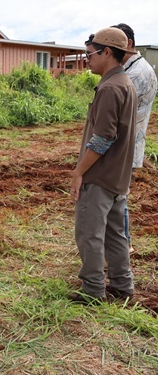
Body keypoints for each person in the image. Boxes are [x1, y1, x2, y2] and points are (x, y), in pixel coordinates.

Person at [68, 27, 137, 304]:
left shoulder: (110, 87)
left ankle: (93, 290)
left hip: (99, 176)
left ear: (106, 52)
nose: (87, 59)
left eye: (90, 54)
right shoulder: (125, 83)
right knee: (115, 234)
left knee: (88, 233)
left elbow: (103, 138)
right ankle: (123, 286)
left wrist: (79, 171)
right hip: (118, 176)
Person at [113, 23, 158, 255]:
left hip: (125, 146)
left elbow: (117, 113)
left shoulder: (135, 74)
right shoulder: (137, 69)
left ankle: (123, 247)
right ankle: (122, 246)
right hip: (130, 143)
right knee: (119, 199)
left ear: (128, 44)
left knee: (118, 201)